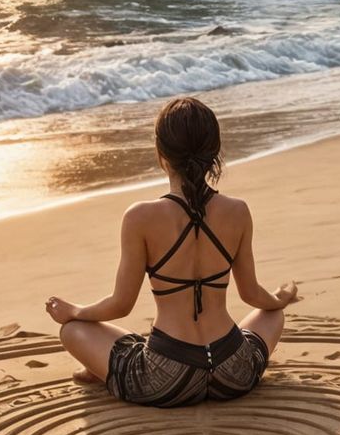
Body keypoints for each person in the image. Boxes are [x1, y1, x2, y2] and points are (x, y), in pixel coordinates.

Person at [46, 95, 299, 407]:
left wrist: (75, 312)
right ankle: (98, 366)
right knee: (272, 316)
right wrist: (279, 300)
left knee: (73, 331)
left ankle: (98, 368)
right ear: (213, 152)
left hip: (167, 378)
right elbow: (252, 295)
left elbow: (120, 305)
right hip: (233, 371)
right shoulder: (238, 211)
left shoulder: (140, 217)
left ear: (160, 152)